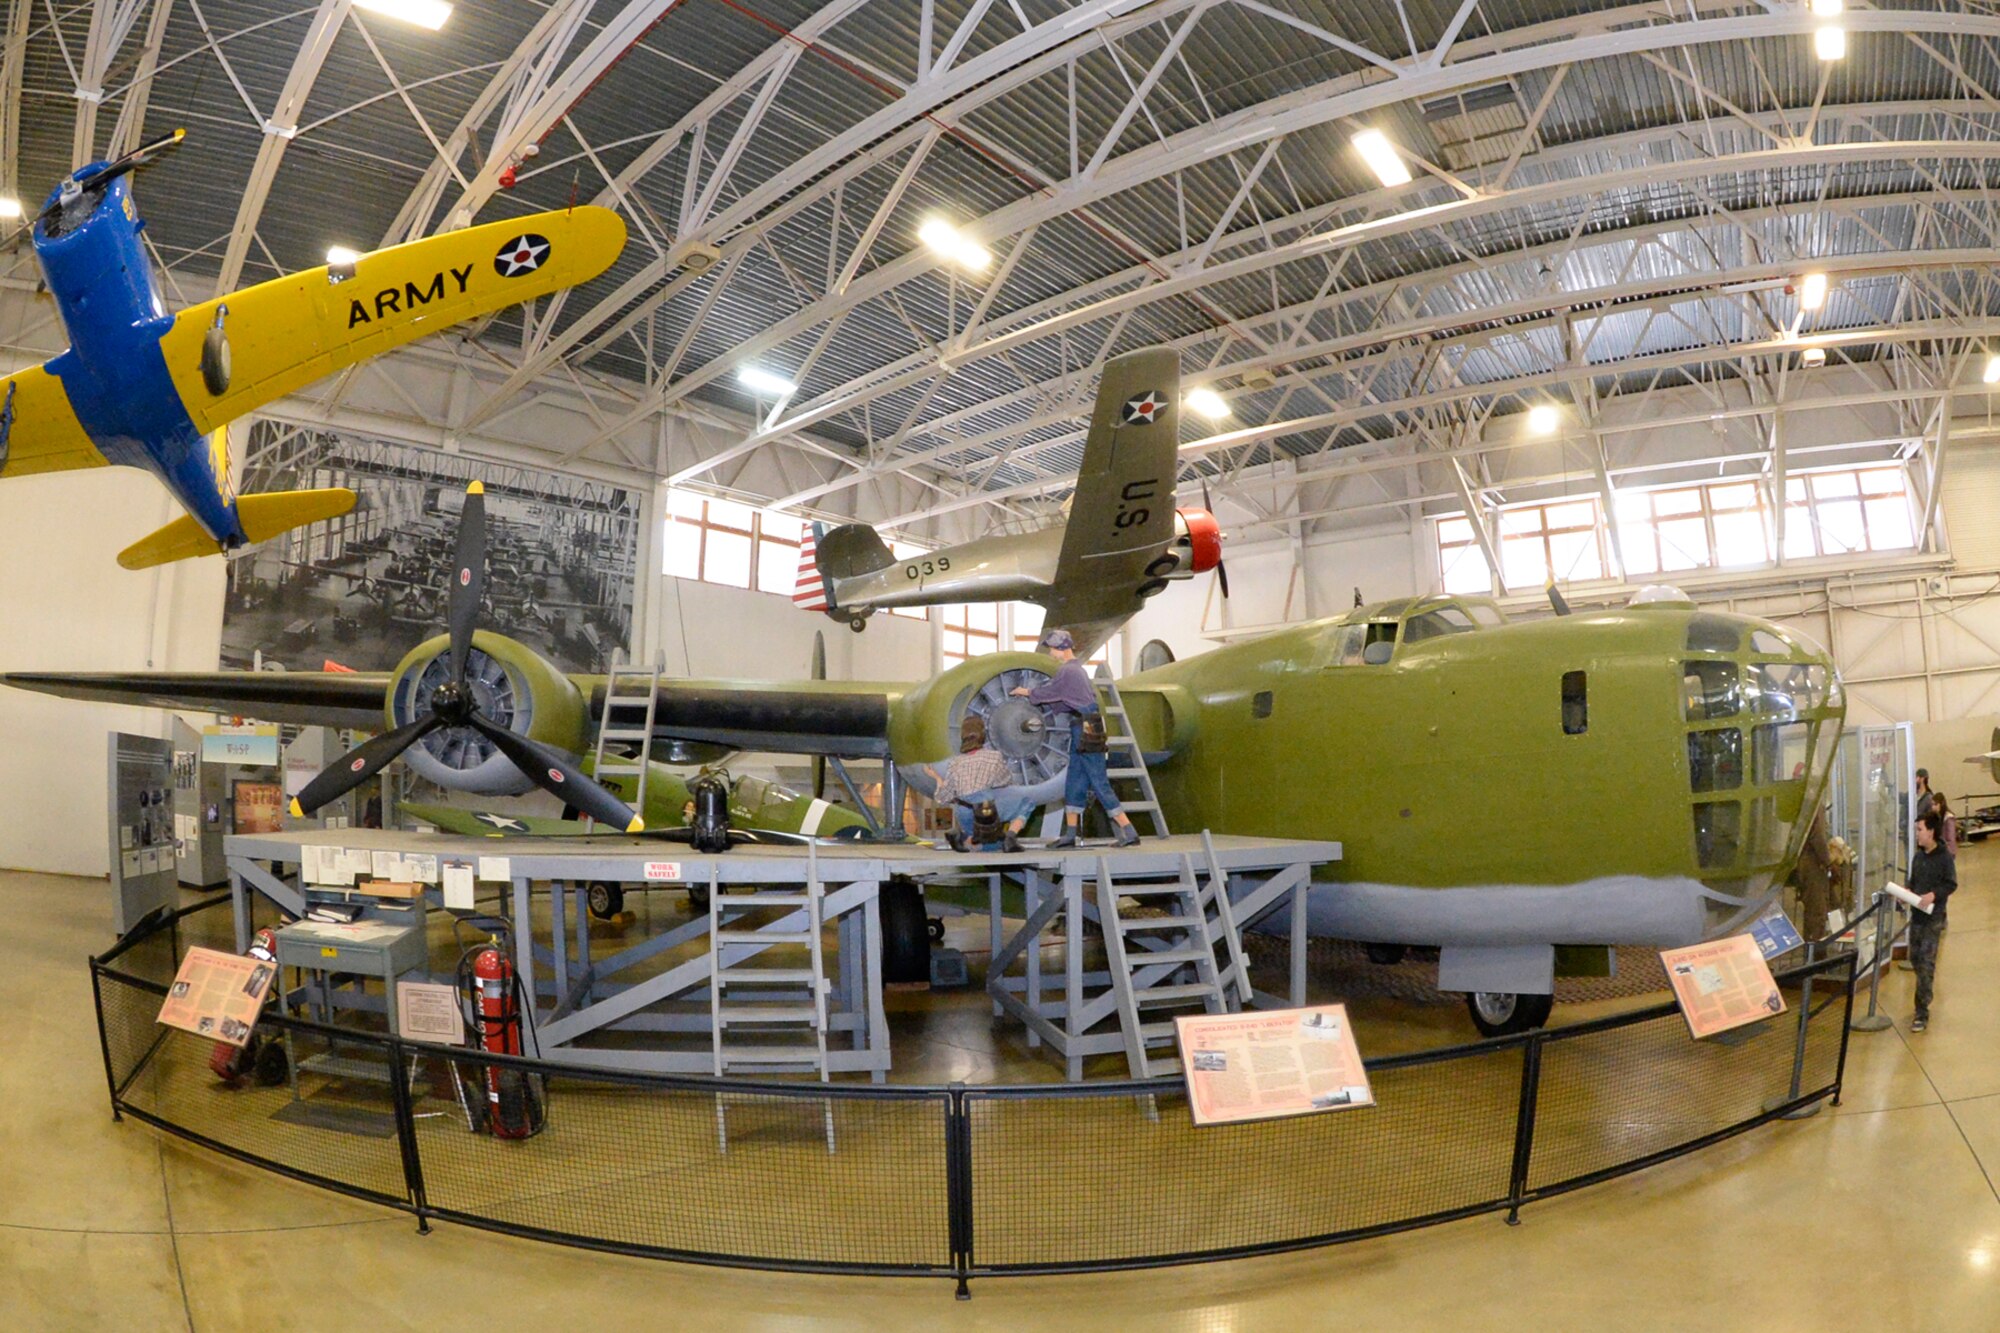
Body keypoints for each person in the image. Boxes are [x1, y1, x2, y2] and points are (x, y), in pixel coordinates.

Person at [1010, 629, 1139, 848]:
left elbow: (1051, 693)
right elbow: (1063, 700)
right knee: (1075, 780)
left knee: (1098, 780)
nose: (1051, 653)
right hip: (1081, 726)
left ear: (1062, 648)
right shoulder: (1075, 670)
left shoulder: (1069, 671)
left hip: (1087, 728)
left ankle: (1129, 831)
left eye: (1052, 648)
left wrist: (1026, 693)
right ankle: (1070, 834)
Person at [926, 717, 1023, 853]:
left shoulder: (956, 762)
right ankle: (1010, 838)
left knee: (983, 839)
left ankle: (963, 837)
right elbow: (1005, 781)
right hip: (984, 811)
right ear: (983, 734)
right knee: (1026, 804)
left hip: (963, 812)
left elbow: (943, 797)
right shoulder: (993, 757)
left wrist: (936, 777)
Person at [1907, 808, 1957, 1033]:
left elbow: (1950, 883)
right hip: (1916, 918)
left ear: (1931, 832)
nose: (1917, 833)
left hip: (1933, 919)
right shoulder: (1918, 857)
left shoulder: (1944, 858)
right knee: (1915, 959)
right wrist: (1906, 893)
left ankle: (1921, 1010)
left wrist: (1933, 896)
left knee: (1926, 963)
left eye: (1920, 829)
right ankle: (1924, 995)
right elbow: (1913, 881)